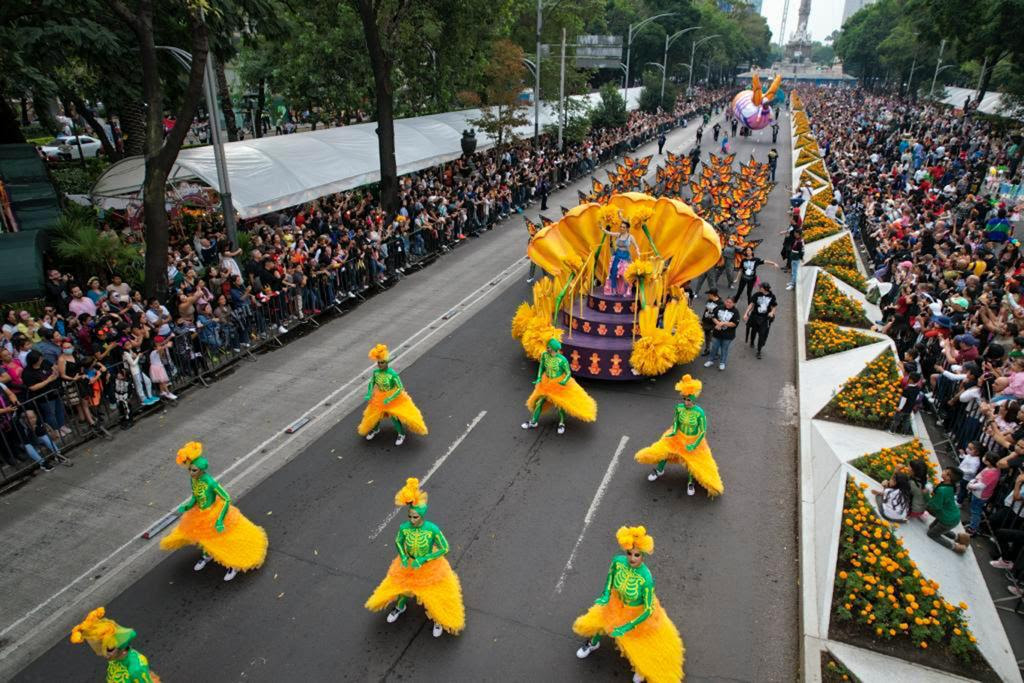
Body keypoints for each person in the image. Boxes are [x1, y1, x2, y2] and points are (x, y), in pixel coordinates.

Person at [572, 526, 684, 683]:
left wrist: (627, 626)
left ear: (643, 556)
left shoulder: (646, 578)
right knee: (600, 621)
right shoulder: (618, 562)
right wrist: (605, 595)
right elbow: (610, 578)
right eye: (629, 553)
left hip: (636, 614)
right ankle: (593, 644)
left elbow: (648, 609)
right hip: (615, 603)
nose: (632, 558)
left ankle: (641, 669)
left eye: (637, 555)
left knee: (636, 643)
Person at [365, 477, 465, 638]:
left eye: (415, 517)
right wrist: (404, 556)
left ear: (422, 516)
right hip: (409, 563)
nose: (412, 520)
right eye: (410, 517)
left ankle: (438, 619)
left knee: (433, 593)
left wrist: (424, 559)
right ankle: (400, 606)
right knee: (403, 587)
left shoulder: (432, 529)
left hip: (430, 565)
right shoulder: (404, 528)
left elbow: (445, 547)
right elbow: (398, 541)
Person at [159, 441, 268, 581]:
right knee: (205, 539)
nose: (191, 473)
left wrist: (220, 520)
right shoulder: (194, 480)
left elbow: (227, 499)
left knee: (224, 540)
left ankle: (232, 565)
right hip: (200, 514)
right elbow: (195, 496)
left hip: (216, 514)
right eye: (190, 469)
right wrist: (188, 506)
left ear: (202, 470)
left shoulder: (210, 482)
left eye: (194, 470)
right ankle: (207, 555)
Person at [636, 374, 723, 497]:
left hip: (693, 440)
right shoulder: (679, 408)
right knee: (664, 450)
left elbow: (703, 431)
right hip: (677, 436)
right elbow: (676, 421)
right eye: (685, 399)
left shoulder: (699, 412)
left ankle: (690, 482)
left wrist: (694, 445)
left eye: (689, 399)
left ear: (693, 399)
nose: (686, 402)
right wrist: (674, 431)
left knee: (692, 462)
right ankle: (659, 470)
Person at [522, 338, 597, 434]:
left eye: (548, 347)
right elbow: (541, 367)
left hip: (558, 384)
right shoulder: (545, 356)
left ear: (553, 349)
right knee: (540, 402)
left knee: (560, 404)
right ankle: (533, 422)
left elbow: (568, 373)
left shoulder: (562, 360)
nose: (547, 349)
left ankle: (561, 423)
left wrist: (564, 381)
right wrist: (539, 378)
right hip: (546, 383)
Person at [357, 344, 428, 446]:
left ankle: (401, 434)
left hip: (393, 398)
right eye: (378, 363)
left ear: (386, 363)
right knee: (374, 415)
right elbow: (372, 383)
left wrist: (390, 398)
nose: (380, 365)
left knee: (394, 417)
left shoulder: (392, 374)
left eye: (382, 363)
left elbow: (400, 388)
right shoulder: (376, 373)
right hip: (379, 397)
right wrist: (369, 393)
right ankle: (375, 430)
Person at [70, 607, 160, 682]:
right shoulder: (115, 658)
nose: (104, 653)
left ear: (122, 648)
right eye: (101, 648)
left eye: (108, 649)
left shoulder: (136, 669)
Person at [926, 467, 969, 553]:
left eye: (946, 471)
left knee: (932, 534)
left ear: (949, 477)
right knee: (932, 527)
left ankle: (955, 547)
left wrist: (925, 499)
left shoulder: (943, 490)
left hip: (947, 519)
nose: (943, 471)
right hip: (950, 515)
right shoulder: (949, 486)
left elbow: (935, 506)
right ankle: (959, 538)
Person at [602, 213, 640, 297]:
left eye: (623, 227)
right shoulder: (618, 234)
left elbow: (636, 246)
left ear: (627, 229)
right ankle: (614, 290)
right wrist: (602, 228)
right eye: (621, 227)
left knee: (625, 274)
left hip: (626, 257)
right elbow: (609, 233)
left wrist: (638, 251)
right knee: (613, 272)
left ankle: (628, 290)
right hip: (617, 256)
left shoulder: (630, 237)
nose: (622, 228)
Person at [965, 453, 1000, 535]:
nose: (983, 458)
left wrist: (970, 485)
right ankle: (973, 523)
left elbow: (981, 486)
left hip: (980, 495)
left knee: (975, 511)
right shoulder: (993, 469)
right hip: (980, 493)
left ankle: (973, 528)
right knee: (975, 510)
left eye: (985, 457)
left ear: (989, 462)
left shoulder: (991, 473)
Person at [743, 282, 777, 359]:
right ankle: (752, 341)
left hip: (765, 319)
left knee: (762, 335)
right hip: (755, 316)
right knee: (753, 331)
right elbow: (751, 304)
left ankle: (759, 351)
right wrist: (746, 313)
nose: (759, 288)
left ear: (764, 289)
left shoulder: (772, 296)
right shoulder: (757, 294)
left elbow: (774, 307)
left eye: (760, 287)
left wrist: (772, 312)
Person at [704, 296, 738, 371]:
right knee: (714, 347)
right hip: (717, 333)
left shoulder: (735, 312)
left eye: (730, 302)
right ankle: (710, 360)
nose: (728, 304)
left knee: (724, 349)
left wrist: (722, 324)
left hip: (728, 336)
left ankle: (722, 363)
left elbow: (734, 323)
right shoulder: (720, 307)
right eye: (727, 301)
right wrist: (718, 323)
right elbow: (713, 317)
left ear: (734, 303)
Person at [699, 288, 721, 357]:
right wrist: (702, 320)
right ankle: (707, 349)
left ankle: (716, 352)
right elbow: (706, 310)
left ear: (712, 295)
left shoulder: (720, 303)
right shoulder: (709, 300)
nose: (708, 296)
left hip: (713, 324)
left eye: (709, 294)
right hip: (706, 322)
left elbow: (720, 316)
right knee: (707, 337)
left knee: (713, 339)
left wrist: (718, 324)